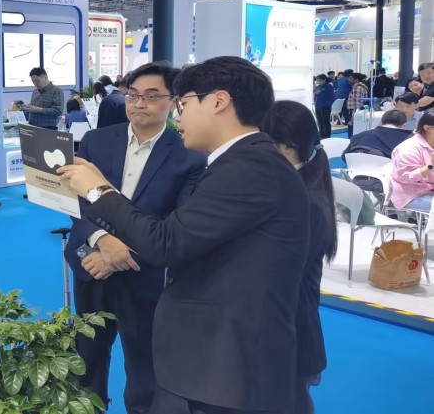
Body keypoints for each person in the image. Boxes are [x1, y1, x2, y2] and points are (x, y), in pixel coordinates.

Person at [58, 56, 309, 414]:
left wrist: (99, 191)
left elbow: (168, 240)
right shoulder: (240, 162)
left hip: (225, 366)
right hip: (210, 356)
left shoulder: (246, 168)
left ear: (219, 101)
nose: (179, 116)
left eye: (184, 103)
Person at [65, 62, 206, 413]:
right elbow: (75, 200)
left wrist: (120, 252)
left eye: (152, 96)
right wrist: (101, 240)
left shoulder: (190, 155)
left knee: (145, 367)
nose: (139, 103)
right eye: (133, 95)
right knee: (86, 359)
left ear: (173, 102)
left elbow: (177, 224)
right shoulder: (96, 141)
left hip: (144, 275)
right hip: (91, 265)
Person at [260, 101, 337, 414]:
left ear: (286, 148)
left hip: (287, 332)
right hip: (282, 330)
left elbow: (276, 273)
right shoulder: (297, 189)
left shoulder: (303, 203)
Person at [389, 110, 434, 213]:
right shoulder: (409, 148)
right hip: (412, 194)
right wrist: (430, 166)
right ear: (427, 128)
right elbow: (406, 177)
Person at [342, 110, 410, 160]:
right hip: (387, 173)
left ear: (382, 122)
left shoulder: (358, 136)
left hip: (355, 172)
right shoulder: (408, 138)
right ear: (403, 126)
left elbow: (344, 157)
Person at [346, 72, 370, 138]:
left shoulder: (357, 88)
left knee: (353, 132)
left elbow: (357, 104)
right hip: (360, 112)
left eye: (351, 78)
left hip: (355, 112)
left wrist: (353, 117)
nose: (349, 79)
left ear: (356, 79)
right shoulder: (360, 87)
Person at [313, 74, 335, 139]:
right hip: (318, 105)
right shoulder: (319, 86)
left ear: (324, 79)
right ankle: (321, 135)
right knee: (319, 122)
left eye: (320, 80)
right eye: (317, 81)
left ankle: (327, 136)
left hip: (326, 106)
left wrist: (329, 103)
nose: (319, 82)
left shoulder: (328, 86)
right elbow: (316, 95)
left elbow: (332, 96)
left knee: (326, 122)